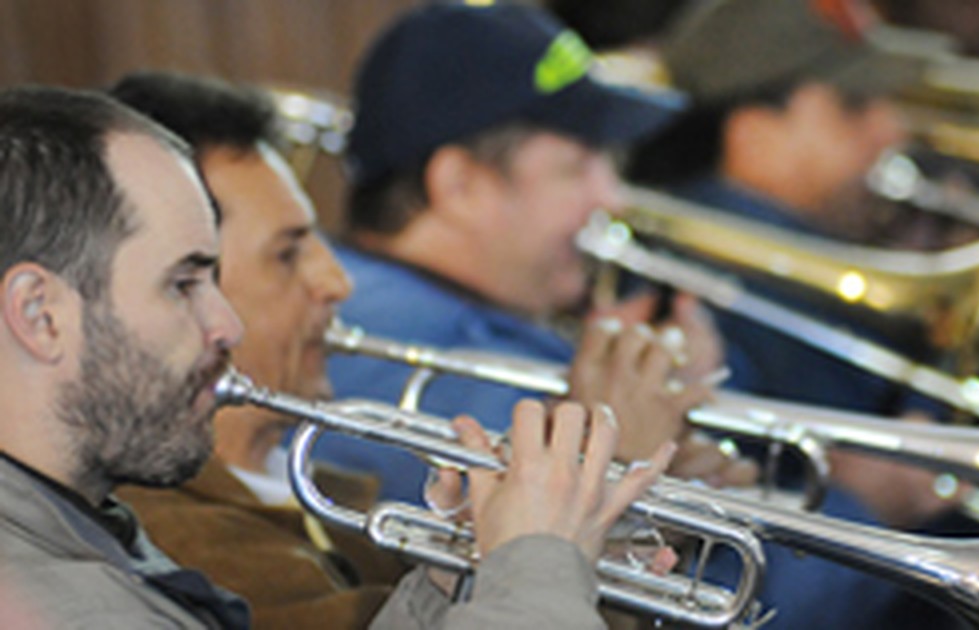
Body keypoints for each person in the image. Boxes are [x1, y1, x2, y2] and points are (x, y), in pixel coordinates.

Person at [0, 85, 674, 629]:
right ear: (39, 314)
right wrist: (537, 563)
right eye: (183, 284)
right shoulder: (43, 599)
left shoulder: (79, 531)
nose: (225, 323)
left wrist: (456, 581)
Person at [320, 0, 756, 504]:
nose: (611, 198)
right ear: (460, 186)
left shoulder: (445, 317)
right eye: (575, 167)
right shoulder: (425, 360)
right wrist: (637, 470)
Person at [107, 71, 396, 629]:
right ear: (179, 288)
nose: (336, 282)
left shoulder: (305, 479)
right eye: (288, 255)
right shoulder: (173, 533)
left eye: (319, 244)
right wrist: (533, 554)